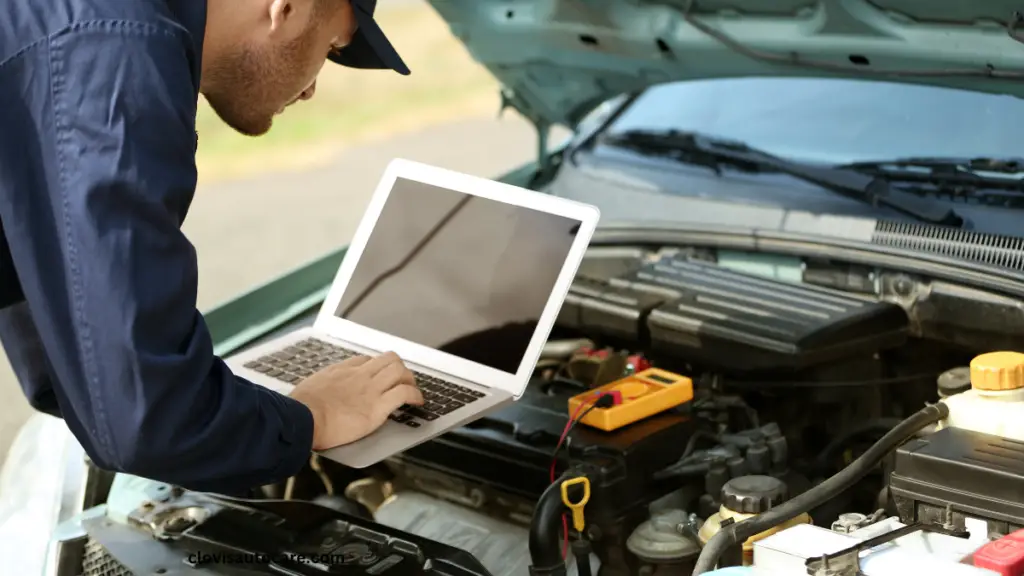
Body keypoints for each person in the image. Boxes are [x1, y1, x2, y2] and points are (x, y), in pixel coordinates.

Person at [0, 0, 425, 494]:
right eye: (329, 46)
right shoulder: (117, 54)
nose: (311, 89)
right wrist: (313, 417)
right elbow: (148, 419)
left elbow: (76, 356)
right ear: (284, 7)